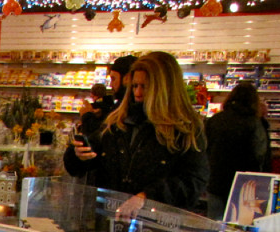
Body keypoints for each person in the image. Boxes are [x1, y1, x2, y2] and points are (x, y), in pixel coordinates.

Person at [64, 51, 209, 217]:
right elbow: (86, 160)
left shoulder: (185, 130)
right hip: (111, 218)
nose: (138, 93)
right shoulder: (117, 122)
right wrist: (78, 155)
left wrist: (148, 197)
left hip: (158, 223)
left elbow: (193, 181)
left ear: (164, 88)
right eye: (134, 86)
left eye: (144, 87)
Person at [205, 80, 271, 221]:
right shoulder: (254, 124)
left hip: (216, 181)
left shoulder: (215, 120)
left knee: (214, 224)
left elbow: (205, 149)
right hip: (244, 185)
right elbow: (260, 155)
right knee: (239, 224)